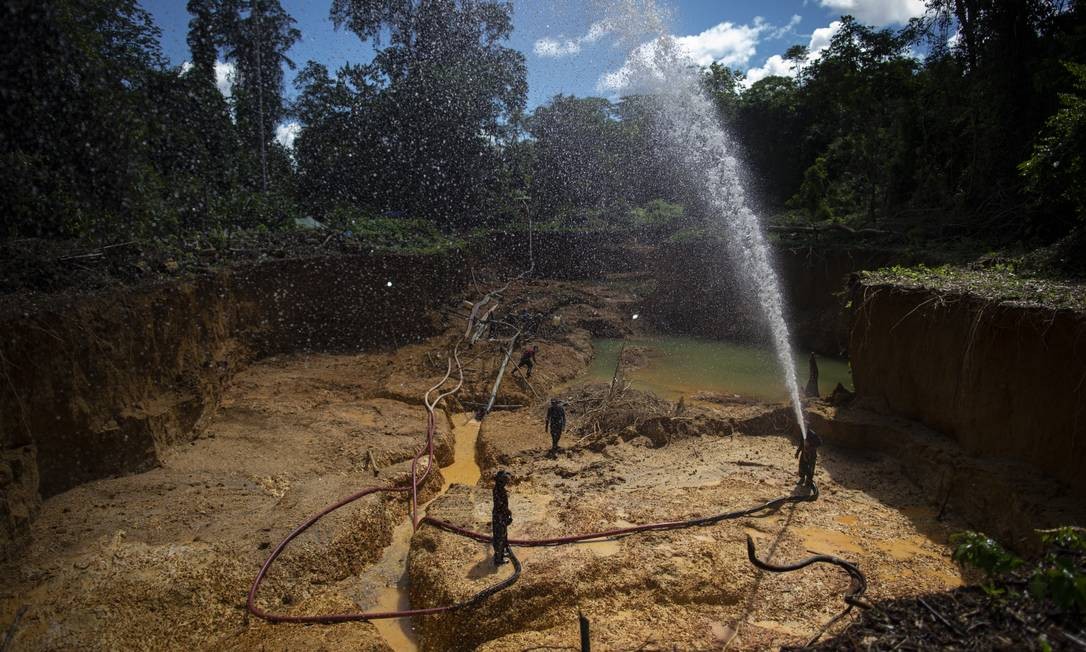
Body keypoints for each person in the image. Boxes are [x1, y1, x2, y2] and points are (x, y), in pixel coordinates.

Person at [492, 470, 513, 566]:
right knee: (499, 537)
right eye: (505, 481)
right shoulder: (498, 490)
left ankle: (500, 554)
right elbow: (500, 504)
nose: (506, 483)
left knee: (503, 535)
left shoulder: (499, 488)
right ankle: (498, 559)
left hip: (500, 515)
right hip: (499, 516)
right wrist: (507, 511)